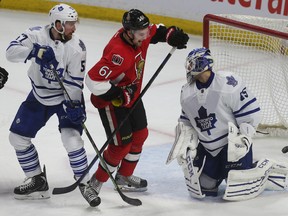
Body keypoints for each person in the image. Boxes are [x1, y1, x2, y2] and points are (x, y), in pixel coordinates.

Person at [85, 9, 189, 205]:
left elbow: (156, 31)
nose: (145, 36)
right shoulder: (118, 52)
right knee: (120, 146)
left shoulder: (139, 34)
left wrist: (172, 35)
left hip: (131, 96)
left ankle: (124, 176)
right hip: (111, 103)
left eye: (145, 33)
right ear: (129, 32)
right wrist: (119, 94)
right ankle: (95, 183)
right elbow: (92, 80)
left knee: (140, 135)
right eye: (141, 34)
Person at [6, 3, 100, 207]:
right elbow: (10, 52)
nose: (74, 28)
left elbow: (75, 81)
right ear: (57, 24)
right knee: (17, 138)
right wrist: (35, 53)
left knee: (72, 139)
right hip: (39, 96)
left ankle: (86, 184)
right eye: (69, 24)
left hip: (65, 97)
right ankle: (37, 180)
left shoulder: (77, 47)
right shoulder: (35, 35)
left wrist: (74, 105)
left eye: (75, 24)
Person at [166, 47, 288, 201]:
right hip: (208, 149)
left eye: (192, 65)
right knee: (204, 186)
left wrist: (243, 138)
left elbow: (250, 114)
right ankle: (216, 172)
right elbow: (186, 123)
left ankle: (266, 168)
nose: (189, 69)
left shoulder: (228, 84)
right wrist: (187, 143)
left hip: (231, 146)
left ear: (202, 65)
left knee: (238, 186)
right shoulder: (187, 93)